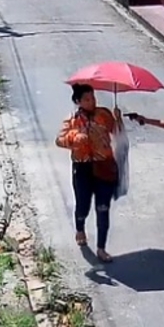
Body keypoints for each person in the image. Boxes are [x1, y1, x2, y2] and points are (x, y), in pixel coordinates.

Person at [55, 83, 121, 263]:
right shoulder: (72, 119)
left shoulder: (104, 114)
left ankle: (101, 248)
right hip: (82, 168)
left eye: (93, 98)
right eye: (87, 99)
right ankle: (80, 228)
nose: (92, 102)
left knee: (103, 208)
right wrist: (74, 138)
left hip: (104, 166)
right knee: (83, 205)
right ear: (78, 101)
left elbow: (117, 132)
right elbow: (59, 140)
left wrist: (118, 119)